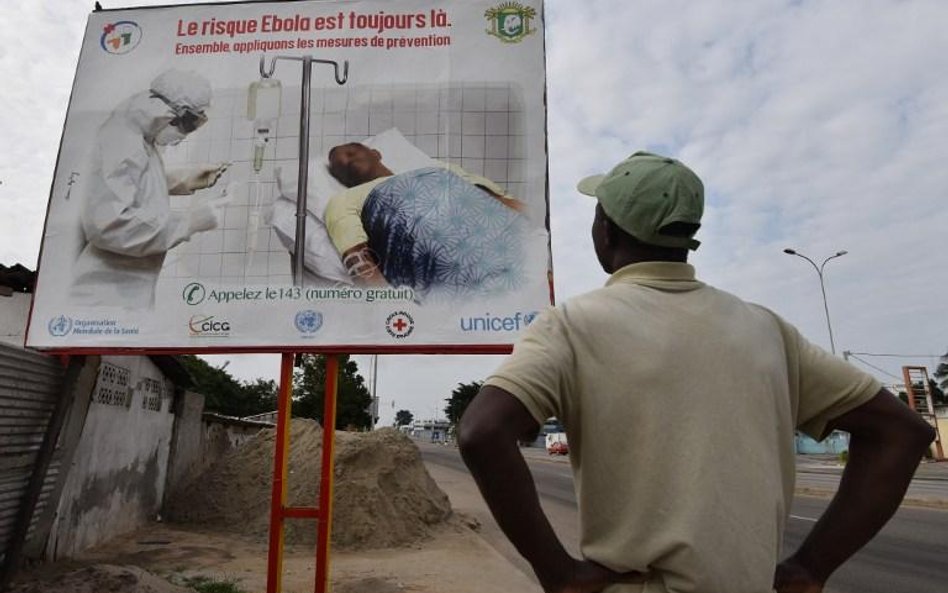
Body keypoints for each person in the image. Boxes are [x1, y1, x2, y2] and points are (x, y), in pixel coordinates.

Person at [458, 151, 935, 593]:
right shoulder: (768, 330)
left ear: (607, 229)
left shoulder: (572, 326)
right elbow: (902, 431)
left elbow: (481, 432)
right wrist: (811, 568)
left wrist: (557, 572)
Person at [71, 69, 229, 308]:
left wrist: (184, 180)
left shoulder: (136, 135)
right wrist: (189, 222)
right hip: (103, 298)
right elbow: (109, 226)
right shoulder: (121, 139)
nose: (185, 132)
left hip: (124, 293)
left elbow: (128, 182)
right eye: (188, 122)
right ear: (165, 112)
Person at [323, 143, 527, 298]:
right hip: (457, 285)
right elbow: (359, 260)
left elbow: (498, 202)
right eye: (338, 166)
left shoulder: (439, 170)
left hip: (514, 253)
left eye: (350, 151)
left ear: (376, 153)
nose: (345, 160)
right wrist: (389, 308)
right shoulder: (343, 201)